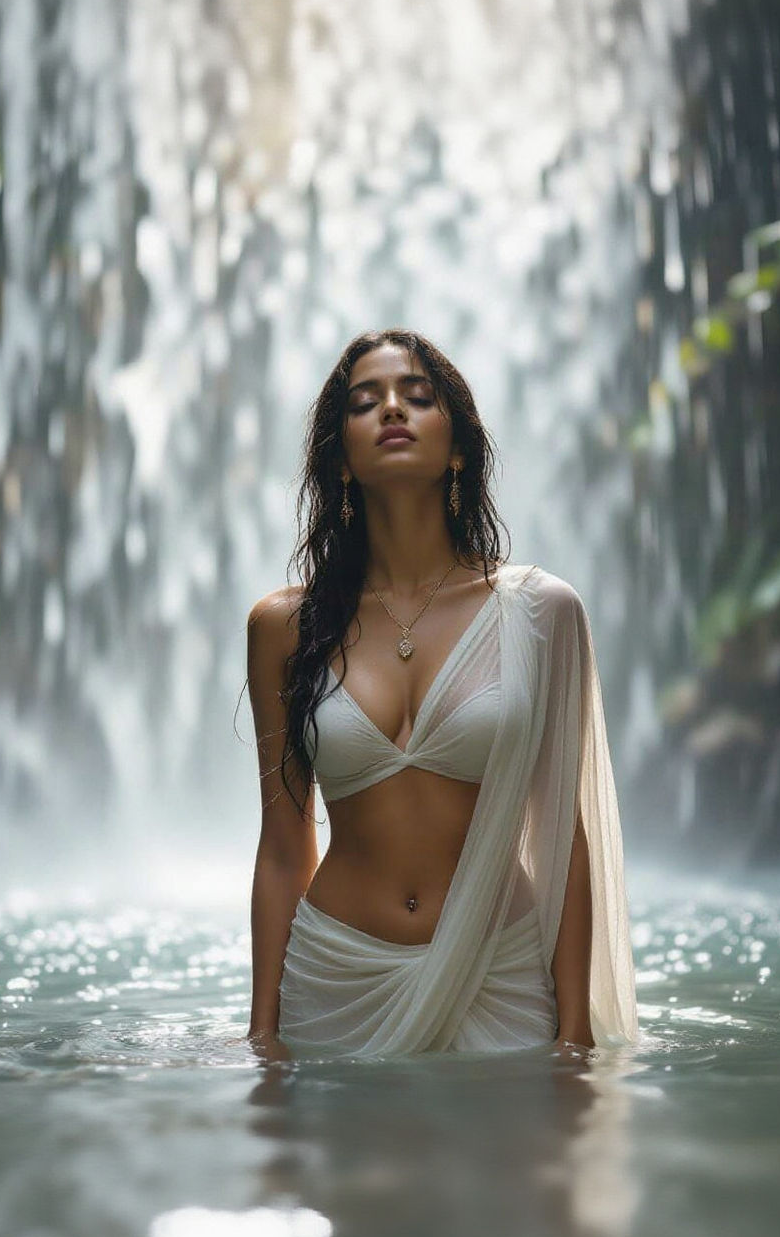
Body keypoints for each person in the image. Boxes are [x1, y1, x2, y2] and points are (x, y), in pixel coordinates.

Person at [244, 329, 637, 1059]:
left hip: (501, 973)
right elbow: (281, 849)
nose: (392, 409)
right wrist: (262, 1037)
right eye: (366, 403)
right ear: (341, 459)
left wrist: (574, 1034)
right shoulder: (284, 627)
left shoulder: (542, 611)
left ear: (458, 448)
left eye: (417, 397)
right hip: (334, 981)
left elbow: (564, 837)